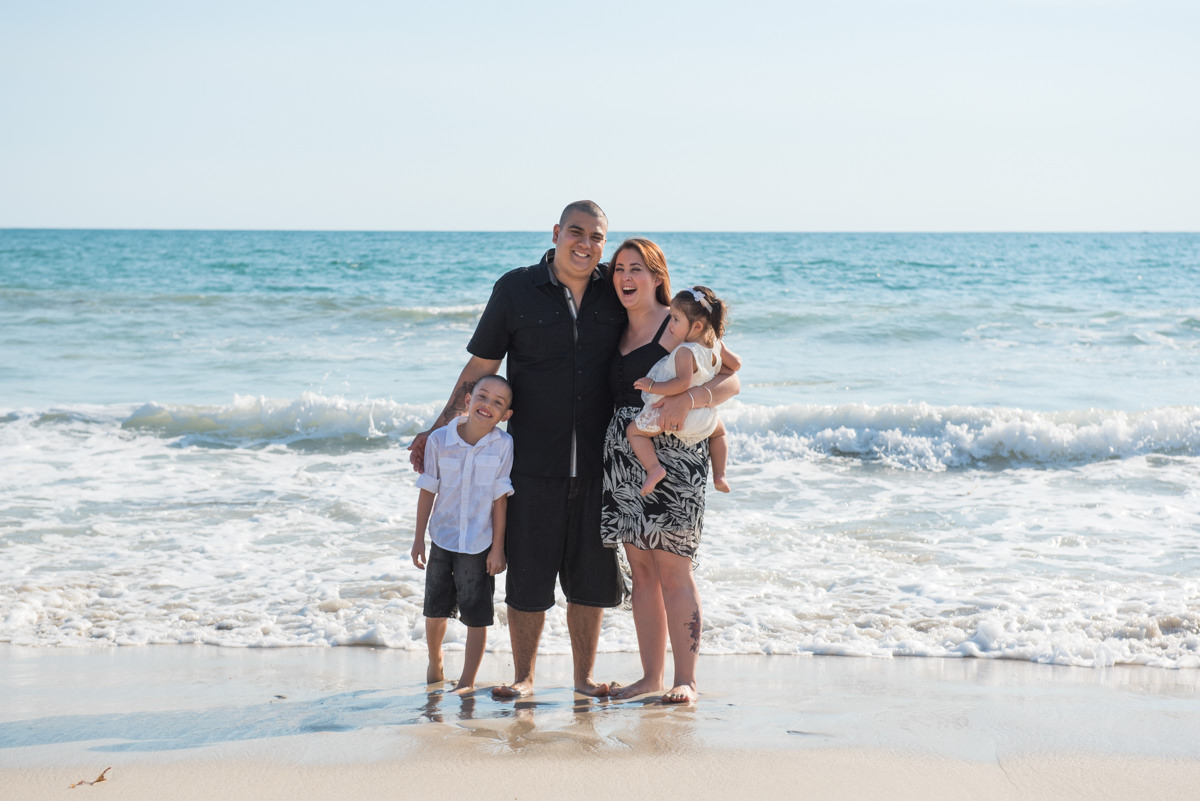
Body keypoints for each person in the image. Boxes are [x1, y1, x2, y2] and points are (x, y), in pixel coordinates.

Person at [408, 201, 626, 698]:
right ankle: (525, 678)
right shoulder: (516, 289)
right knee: (527, 579)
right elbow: (479, 368)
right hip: (530, 464)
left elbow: (660, 325)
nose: (586, 244)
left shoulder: (614, 290)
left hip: (600, 465)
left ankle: (583, 679)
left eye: (596, 237)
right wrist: (436, 429)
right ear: (556, 233)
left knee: (589, 580)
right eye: (576, 232)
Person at [601, 238, 740, 705]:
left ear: (657, 275)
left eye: (636, 268)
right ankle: (649, 677)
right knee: (640, 571)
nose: (626, 277)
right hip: (627, 457)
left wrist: (689, 398)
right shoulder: (613, 326)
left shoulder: (678, 322)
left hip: (676, 453)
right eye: (619, 268)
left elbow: (731, 376)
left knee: (674, 571)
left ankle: (687, 680)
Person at [411, 375, 514, 694]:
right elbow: (428, 490)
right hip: (442, 537)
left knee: (477, 614)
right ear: (468, 401)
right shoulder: (440, 440)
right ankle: (435, 660)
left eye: (499, 403)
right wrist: (418, 539)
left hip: (479, 543)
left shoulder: (503, 445)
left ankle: (468, 680)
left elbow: (500, 499)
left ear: (506, 415)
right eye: (483, 397)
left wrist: (498, 548)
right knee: (435, 608)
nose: (488, 405)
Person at [627, 285, 737, 496]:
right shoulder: (715, 345)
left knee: (633, 432)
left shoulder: (685, 352)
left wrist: (651, 386)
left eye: (676, 319)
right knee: (720, 431)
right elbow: (736, 365)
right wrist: (720, 345)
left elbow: (681, 383)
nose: (670, 324)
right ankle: (720, 475)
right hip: (703, 415)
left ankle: (654, 469)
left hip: (671, 415)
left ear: (696, 327)